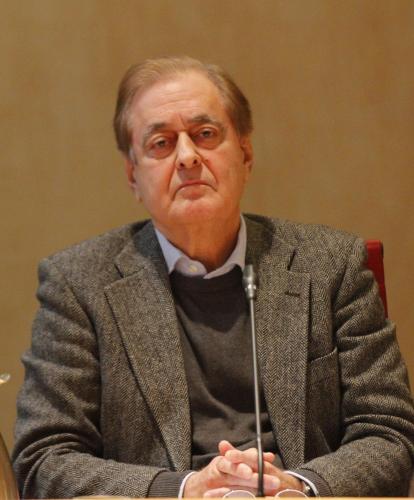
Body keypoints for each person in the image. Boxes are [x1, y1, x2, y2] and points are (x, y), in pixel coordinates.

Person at [13, 56, 414, 498]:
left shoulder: (330, 265)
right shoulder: (78, 283)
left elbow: (389, 433)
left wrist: (299, 486)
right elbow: (44, 458)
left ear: (245, 153)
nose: (187, 157)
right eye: (161, 143)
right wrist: (184, 489)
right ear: (132, 175)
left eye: (205, 134)